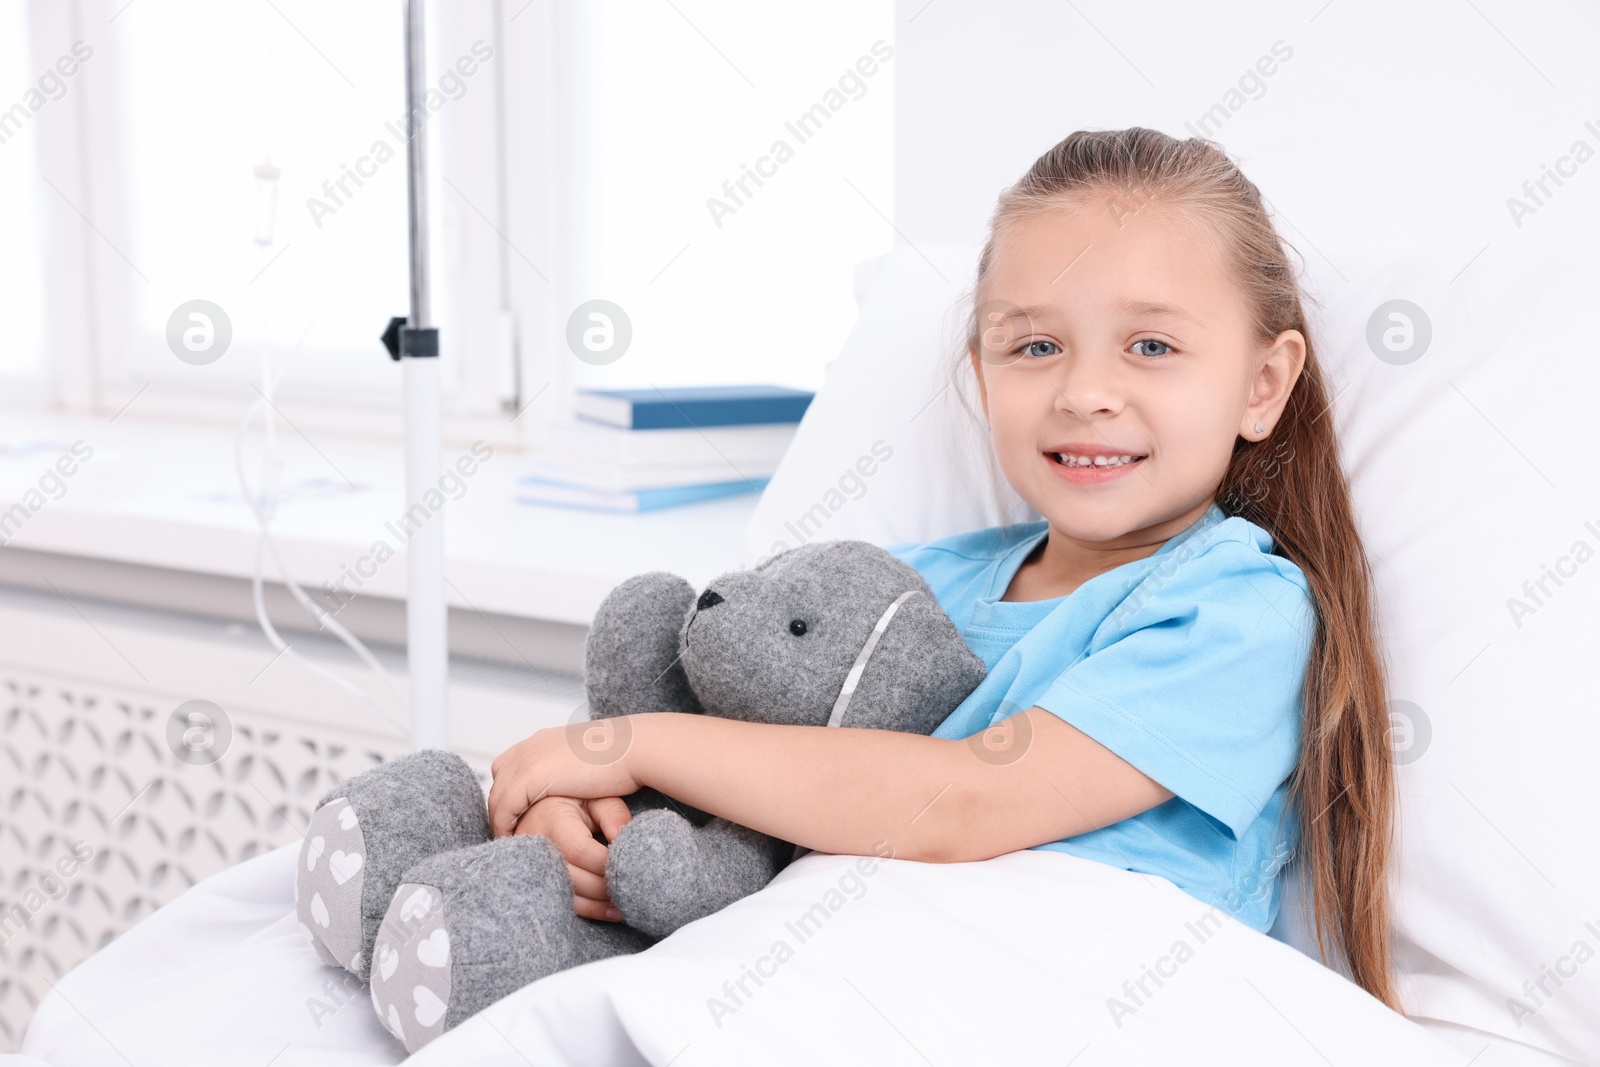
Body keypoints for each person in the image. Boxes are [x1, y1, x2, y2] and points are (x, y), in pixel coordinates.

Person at [489, 127, 1400, 1012]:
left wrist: (631, 743)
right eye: (1035, 346)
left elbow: (968, 800)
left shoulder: (1236, 609)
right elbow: (739, 749)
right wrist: (576, 814)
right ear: (983, 372)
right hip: (820, 969)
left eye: (1151, 345)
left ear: (1262, 384)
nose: (1084, 391)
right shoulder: (904, 585)